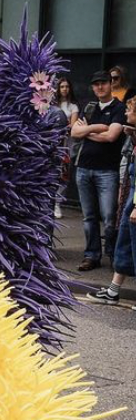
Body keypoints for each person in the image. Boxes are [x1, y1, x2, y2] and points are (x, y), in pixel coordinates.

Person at [71, 70, 128, 270]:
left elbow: (111, 136)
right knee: (89, 217)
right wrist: (97, 128)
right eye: (96, 84)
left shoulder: (119, 108)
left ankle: (113, 256)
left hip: (107, 171)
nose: (100, 87)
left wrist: (87, 131)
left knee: (109, 216)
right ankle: (92, 255)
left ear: (110, 84)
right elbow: (74, 132)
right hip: (84, 168)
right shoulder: (89, 107)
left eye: (103, 83)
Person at [87, 96, 136, 307]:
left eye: (130, 110)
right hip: (132, 197)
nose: (126, 113)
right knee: (124, 243)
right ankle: (113, 291)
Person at [55, 78, 80, 219]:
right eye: (62, 86)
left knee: (63, 173)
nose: (64, 89)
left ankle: (58, 203)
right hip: (53, 142)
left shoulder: (73, 106)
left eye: (67, 86)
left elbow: (72, 125)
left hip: (66, 144)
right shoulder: (52, 104)